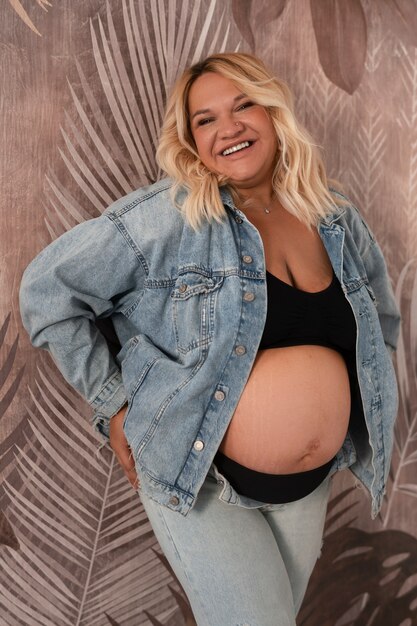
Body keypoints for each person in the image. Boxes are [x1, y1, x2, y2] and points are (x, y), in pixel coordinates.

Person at [19, 53, 400, 625]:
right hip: (199, 475)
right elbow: (47, 293)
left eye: (245, 104)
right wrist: (113, 401)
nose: (230, 127)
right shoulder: (169, 217)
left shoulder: (335, 218)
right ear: (190, 139)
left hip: (308, 484)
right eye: (206, 119)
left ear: (273, 115)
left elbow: (381, 324)